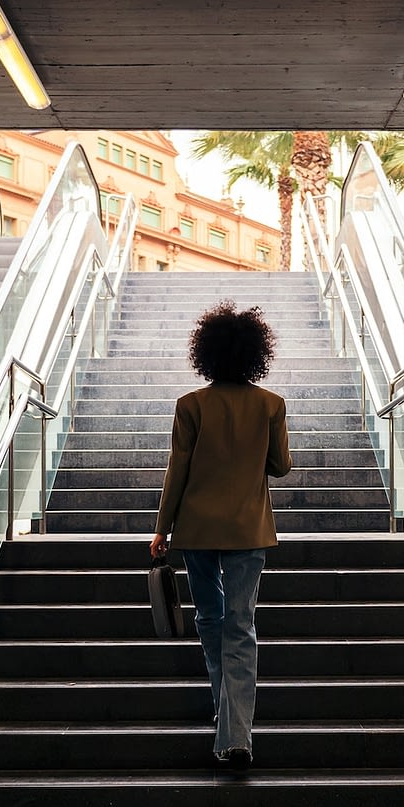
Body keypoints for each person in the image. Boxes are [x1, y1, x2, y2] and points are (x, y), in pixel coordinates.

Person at [149, 300, 291, 771]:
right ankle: (236, 733)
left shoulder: (190, 406)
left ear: (205, 353)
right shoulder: (271, 405)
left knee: (211, 622)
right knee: (241, 626)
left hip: (197, 529)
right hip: (249, 529)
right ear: (256, 354)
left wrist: (162, 529)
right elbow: (281, 467)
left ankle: (228, 724)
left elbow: (177, 470)